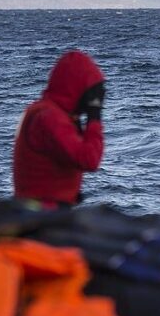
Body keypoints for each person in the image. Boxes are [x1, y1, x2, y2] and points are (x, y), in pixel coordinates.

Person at [12, 50, 106, 208]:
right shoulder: (50, 118)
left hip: (33, 206)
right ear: (77, 87)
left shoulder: (44, 110)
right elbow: (89, 160)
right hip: (41, 211)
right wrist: (94, 116)